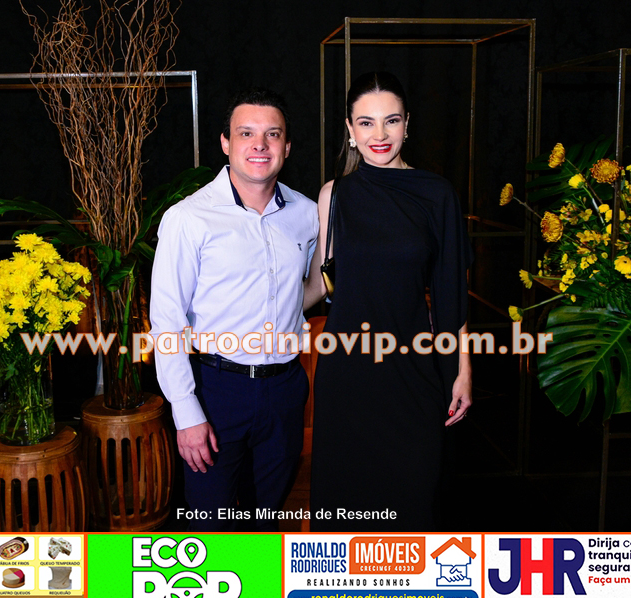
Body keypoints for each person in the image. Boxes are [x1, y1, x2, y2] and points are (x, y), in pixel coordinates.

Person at [305, 71, 473, 532]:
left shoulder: (436, 194)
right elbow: (320, 283)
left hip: (414, 369)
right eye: (366, 123)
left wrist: (463, 369)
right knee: (347, 505)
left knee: (415, 498)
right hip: (347, 374)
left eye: (391, 121)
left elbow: (451, 292)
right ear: (350, 129)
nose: (379, 135)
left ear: (407, 124)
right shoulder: (334, 195)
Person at [149, 88, 318, 531]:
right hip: (216, 390)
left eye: (272, 134)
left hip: (285, 389)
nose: (260, 145)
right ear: (225, 143)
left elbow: (303, 290)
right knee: (212, 527)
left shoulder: (307, 214)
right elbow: (167, 322)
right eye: (246, 133)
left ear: (286, 146)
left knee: (266, 520)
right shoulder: (189, 218)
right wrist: (186, 411)